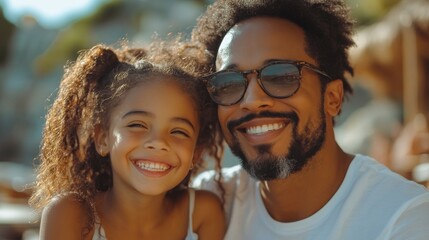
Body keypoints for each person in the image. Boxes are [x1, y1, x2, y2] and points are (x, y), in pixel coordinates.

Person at [189, 0, 429, 239]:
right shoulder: (205, 205)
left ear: (332, 98)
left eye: (281, 76)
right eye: (228, 83)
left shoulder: (403, 218)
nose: (251, 101)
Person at [29, 43, 226, 240]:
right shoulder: (71, 214)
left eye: (178, 131)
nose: (158, 142)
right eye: (137, 125)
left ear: (196, 152)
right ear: (102, 139)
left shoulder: (202, 214)